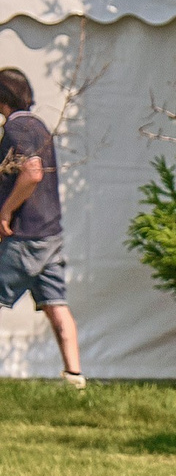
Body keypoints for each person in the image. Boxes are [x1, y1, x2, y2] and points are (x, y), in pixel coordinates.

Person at [0, 67, 81, 386]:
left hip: (24, 236)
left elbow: (32, 172)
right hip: (51, 233)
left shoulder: (16, 128)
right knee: (55, 304)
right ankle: (75, 378)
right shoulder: (40, 126)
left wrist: (6, 211)